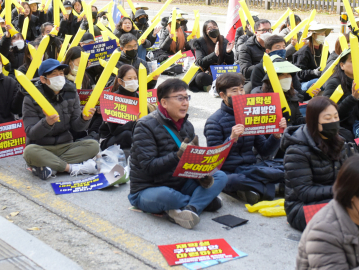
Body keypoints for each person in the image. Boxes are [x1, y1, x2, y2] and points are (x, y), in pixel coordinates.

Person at [128, 79, 227, 229]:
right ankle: (199, 201)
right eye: (180, 98)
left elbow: (192, 164)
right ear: (164, 102)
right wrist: (177, 156)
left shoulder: (187, 126)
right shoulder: (145, 126)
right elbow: (149, 167)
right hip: (149, 188)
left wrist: (202, 175)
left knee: (220, 176)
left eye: (187, 98)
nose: (185, 103)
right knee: (166, 197)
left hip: (179, 183)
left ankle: (191, 209)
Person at [205, 73, 285, 204]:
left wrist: (275, 136)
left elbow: (264, 151)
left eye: (241, 89)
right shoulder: (214, 122)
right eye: (234, 91)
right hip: (229, 171)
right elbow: (214, 160)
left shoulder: (250, 115)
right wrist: (231, 138)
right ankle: (276, 187)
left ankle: (256, 190)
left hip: (251, 168)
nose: (240, 93)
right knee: (231, 180)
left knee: (286, 164)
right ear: (223, 95)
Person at [282, 96, 356, 231]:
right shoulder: (296, 151)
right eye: (327, 119)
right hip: (302, 208)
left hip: (334, 199)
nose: (333, 121)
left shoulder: (340, 142)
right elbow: (305, 192)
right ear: (314, 121)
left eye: (335, 117)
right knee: (351, 210)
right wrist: (340, 190)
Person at [21, 59, 100, 180]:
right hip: (41, 147)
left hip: (65, 146)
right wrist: (46, 123)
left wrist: (84, 119)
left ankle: (49, 165)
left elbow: (77, 127)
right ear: (43, 79)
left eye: (61, 73)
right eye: (54, 75)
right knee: (29, 152)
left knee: (93, 145)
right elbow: (31, 132)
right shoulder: (31, 98)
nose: (59, 77)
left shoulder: (71, 92)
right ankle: (72, 168)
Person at [100, 65, 156, 154]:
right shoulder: (112, 99)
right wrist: (134, 123)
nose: (133, 81)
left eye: (135, 78)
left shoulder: (140, 97)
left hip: (136, 135)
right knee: (127, 134)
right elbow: (115, 130)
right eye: (129, 78)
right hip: (113, 137)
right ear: (120, 81)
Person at [252, 59, 306, 126]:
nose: (287, 77)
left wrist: (309, 119)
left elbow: (297, 119)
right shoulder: (259, 96)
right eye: (283, 74)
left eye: (289, 74)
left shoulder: (293, 94)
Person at [189, 20, 235, 92]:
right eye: (209, 28)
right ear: (206, 32)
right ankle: (221, 86)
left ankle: (213, 86)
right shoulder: (199, 42)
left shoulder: (223, 41)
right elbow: (200, 62)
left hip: (220, 72)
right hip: (206, 73)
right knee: (200, 77)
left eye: (214, 27)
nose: (213, 29)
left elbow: (230, 63)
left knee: (237, 74)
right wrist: (214, 54)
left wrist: (229, 53)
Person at [292, 23, 332, 89]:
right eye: (320, 34)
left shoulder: (324, 50)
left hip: (321, 80)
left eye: (324, 34)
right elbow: (298, 74)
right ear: (313, 35)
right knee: (319, 82)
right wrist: (313, 72)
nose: (323, 36)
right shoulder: (304, 52)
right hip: (304, 83)